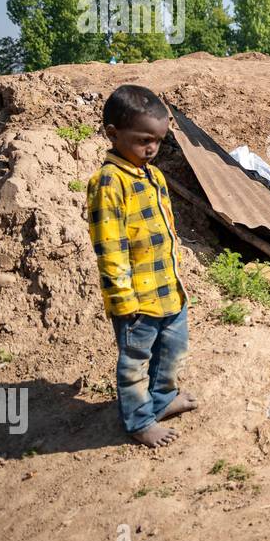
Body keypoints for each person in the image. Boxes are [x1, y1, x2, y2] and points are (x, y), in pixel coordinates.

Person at [87, 85, 195, 449]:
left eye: (159, 142)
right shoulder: (108, 183)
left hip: (168, 290)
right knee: (134, 363)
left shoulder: (153, 176)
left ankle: (162, 399)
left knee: (172, 350)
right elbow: (110, 246)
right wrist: (123, 299)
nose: (152, 149)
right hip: (136, 300)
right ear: (113, 134)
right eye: (143, 140)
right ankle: (138, 419)